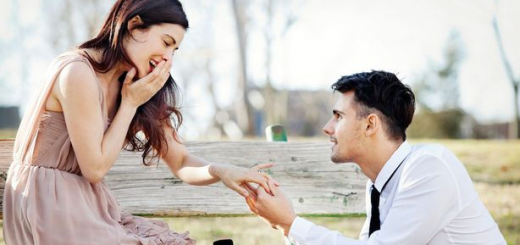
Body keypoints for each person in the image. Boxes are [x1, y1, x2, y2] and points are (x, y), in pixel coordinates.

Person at [2, 0, 274, 244]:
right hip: (47, 206)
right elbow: (94, 168)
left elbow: (180, 161)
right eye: (166, 42)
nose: (168, 57)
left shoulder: (138, 87)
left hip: (89, 207)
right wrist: (130, 103)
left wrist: (221, 171)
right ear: (134, 26)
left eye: (175, 50)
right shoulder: (77, 72)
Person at [245, 71, 506, 244]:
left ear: (370, 125)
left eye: (339, 116)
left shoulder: (429, 167)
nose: (327, 127)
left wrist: (290, 224)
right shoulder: (379, 185)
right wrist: (285, 225)